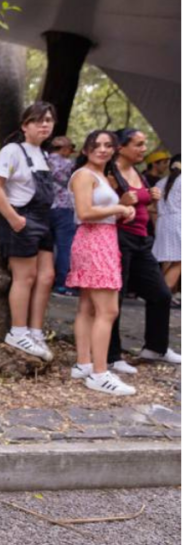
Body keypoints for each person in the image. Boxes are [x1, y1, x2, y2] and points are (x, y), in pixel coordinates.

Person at [66, 131, 137, 395]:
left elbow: (97, 212)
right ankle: (99, 373)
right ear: (85, 149)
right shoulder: (84, 175)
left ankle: (84, 364)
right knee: (108, 311)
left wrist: (120, 212)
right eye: (96, 145)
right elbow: (84, 213)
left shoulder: (99, 176)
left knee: (88, 307)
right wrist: (119, 208)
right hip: (94, 242)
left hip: (100, 239)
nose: (103, 149)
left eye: (108, 145)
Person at [0, 102, 58, 361]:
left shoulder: (44, 155)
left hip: (43, 220)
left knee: (46, 276)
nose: (45, 124)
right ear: (25, 125)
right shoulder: (13, 151)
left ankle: (35, 331)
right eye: (38, 120)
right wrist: (13, 218)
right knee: (24, 277)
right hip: (22, 219)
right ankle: (17, 331)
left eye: (48, 120)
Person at [105, 129, 179, 371]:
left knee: (160, 293)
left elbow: (141, 198)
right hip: (118, 237)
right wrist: (123, 203)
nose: (143, 149)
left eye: (144, 144)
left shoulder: (136, 172)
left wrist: (151, 196)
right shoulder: (111, 172)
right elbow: (99, 204)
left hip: (141, 239)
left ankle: (155, 348)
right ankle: (112, 355)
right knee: (115, 298)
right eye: (138, 144)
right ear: (121, 147)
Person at [48, 136, 79, 297]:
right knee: (64, 247)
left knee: (46, 247)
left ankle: (46, 279)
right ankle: (62, 283)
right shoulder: (70, 164)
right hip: (64, 208)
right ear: (64, 148)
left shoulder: (42, 161)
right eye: (69, 149)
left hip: (46, 209)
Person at [152, 156, 180, 306]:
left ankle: (162, 293)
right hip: (178, 222)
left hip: (163, 222)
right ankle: (162, 293)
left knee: (169, 260)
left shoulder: (160, 182)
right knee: (178, 261)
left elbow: (155, 207)